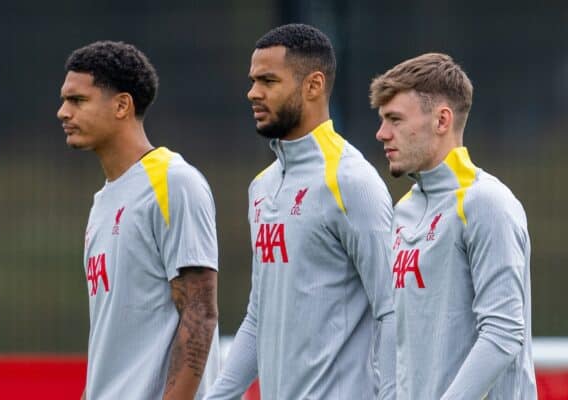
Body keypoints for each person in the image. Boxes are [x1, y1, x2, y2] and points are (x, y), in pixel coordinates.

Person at [206, 24, 395, 400]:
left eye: (268, 81)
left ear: (313, 85)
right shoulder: (261, 187)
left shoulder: (351, 181)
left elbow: (392, 312)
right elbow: (258, 318)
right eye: (253, 80)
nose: (253, 93)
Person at [57, 41, 220, 400]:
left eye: (77, 100)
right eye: (65, 100)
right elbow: (111, 337)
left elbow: (200, 313)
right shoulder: (103, 201)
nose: (63, 112)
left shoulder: (173, 182)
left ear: (121, 105)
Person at [370, 52, 537, 399]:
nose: (381, 133)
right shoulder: (404, 211)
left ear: (442, 120)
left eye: (395, 119)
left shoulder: (487, 202)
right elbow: (397, 336)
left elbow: (503, 333)